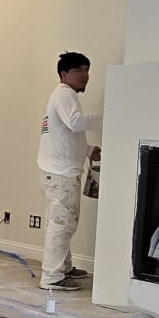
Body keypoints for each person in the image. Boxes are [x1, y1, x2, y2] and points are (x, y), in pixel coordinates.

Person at [37, 52, 102, 291]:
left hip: (56, 170)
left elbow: (64, 135)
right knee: (62, 224)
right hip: (60, 174)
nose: (84, 75)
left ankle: (63, 267)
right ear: (64, 74)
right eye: (78, 71)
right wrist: (107, 118)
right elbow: (75, 122)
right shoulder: (64, 94)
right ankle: (52, 277)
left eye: (86, 70)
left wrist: (88, 150)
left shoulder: (62, 95)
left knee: (60, 222)